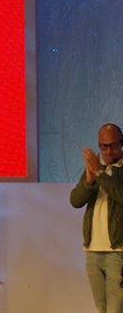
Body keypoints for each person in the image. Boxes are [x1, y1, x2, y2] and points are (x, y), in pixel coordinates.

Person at [70, 123, 123, 313]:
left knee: (115, 309)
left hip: (118, 251)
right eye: (103, 146)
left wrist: (100, 172)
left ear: (121, 143)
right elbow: (75, 201)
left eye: (112, 146)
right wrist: (89, 181)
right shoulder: (94, 168)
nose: (108, 151)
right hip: (92, 250)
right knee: (101, 308)